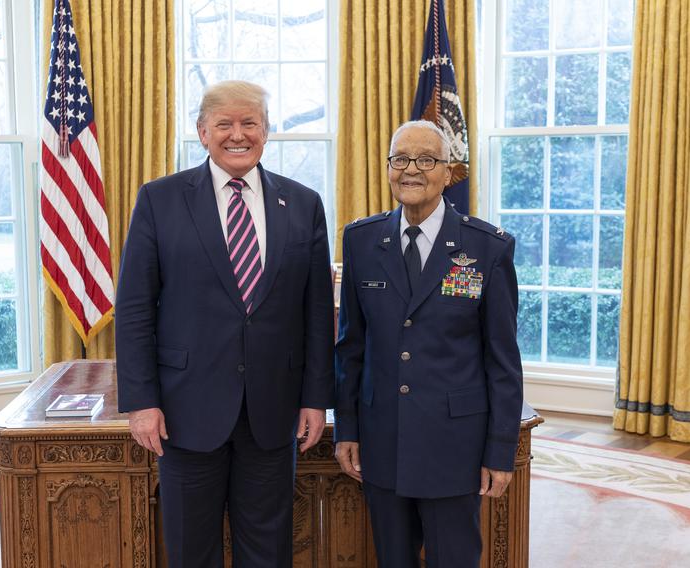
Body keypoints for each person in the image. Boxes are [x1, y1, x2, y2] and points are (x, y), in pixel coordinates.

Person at [115, 80, 334, 567]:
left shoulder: (303, 203)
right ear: (202, 132)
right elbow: (133, 309)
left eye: (249, 123)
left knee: (269, 548)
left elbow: (317, 313)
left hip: (273, 413)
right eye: (224, 125)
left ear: (266, 130)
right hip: (184, 412)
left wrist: (316, 398)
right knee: (192, 550)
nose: (238, 135)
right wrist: (141, 402)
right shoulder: (160, 199)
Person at [333, 120, 523, 568]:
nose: (411, 170)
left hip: (454, 446)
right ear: (388, 168)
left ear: (448, 171)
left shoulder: (487, 248)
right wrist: (348, 428)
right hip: (382, 441)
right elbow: (350, 347)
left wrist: (500, 450)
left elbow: (502, 361)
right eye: (400, 159)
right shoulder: (361, 240)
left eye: (426, 159)